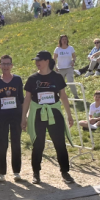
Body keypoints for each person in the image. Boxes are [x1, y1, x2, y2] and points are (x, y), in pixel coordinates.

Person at [21, 51, 75, 184]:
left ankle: (65, 172)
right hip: (38, 113)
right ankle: (36, 173)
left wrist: (69, 115)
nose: (37, 62)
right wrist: (24, 117)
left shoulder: (57, 77)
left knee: (60, 143)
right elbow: (27, 99)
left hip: (54, 113)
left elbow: (63, 96)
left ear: (47, 61)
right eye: (35, 60)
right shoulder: (32, 79)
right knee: (38, 144)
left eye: (39, 60)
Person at [0, 55, 25, 182]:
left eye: (8, 64)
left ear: (11, 65)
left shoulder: (17, 79)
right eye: (3, 64)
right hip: (2, 116)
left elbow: (21, 99)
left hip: (16, 115)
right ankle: (1, 173)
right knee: (2, 144)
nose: (5, 66)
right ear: (0, 66)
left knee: (16, 143)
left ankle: (16, 172)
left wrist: (24, 117)